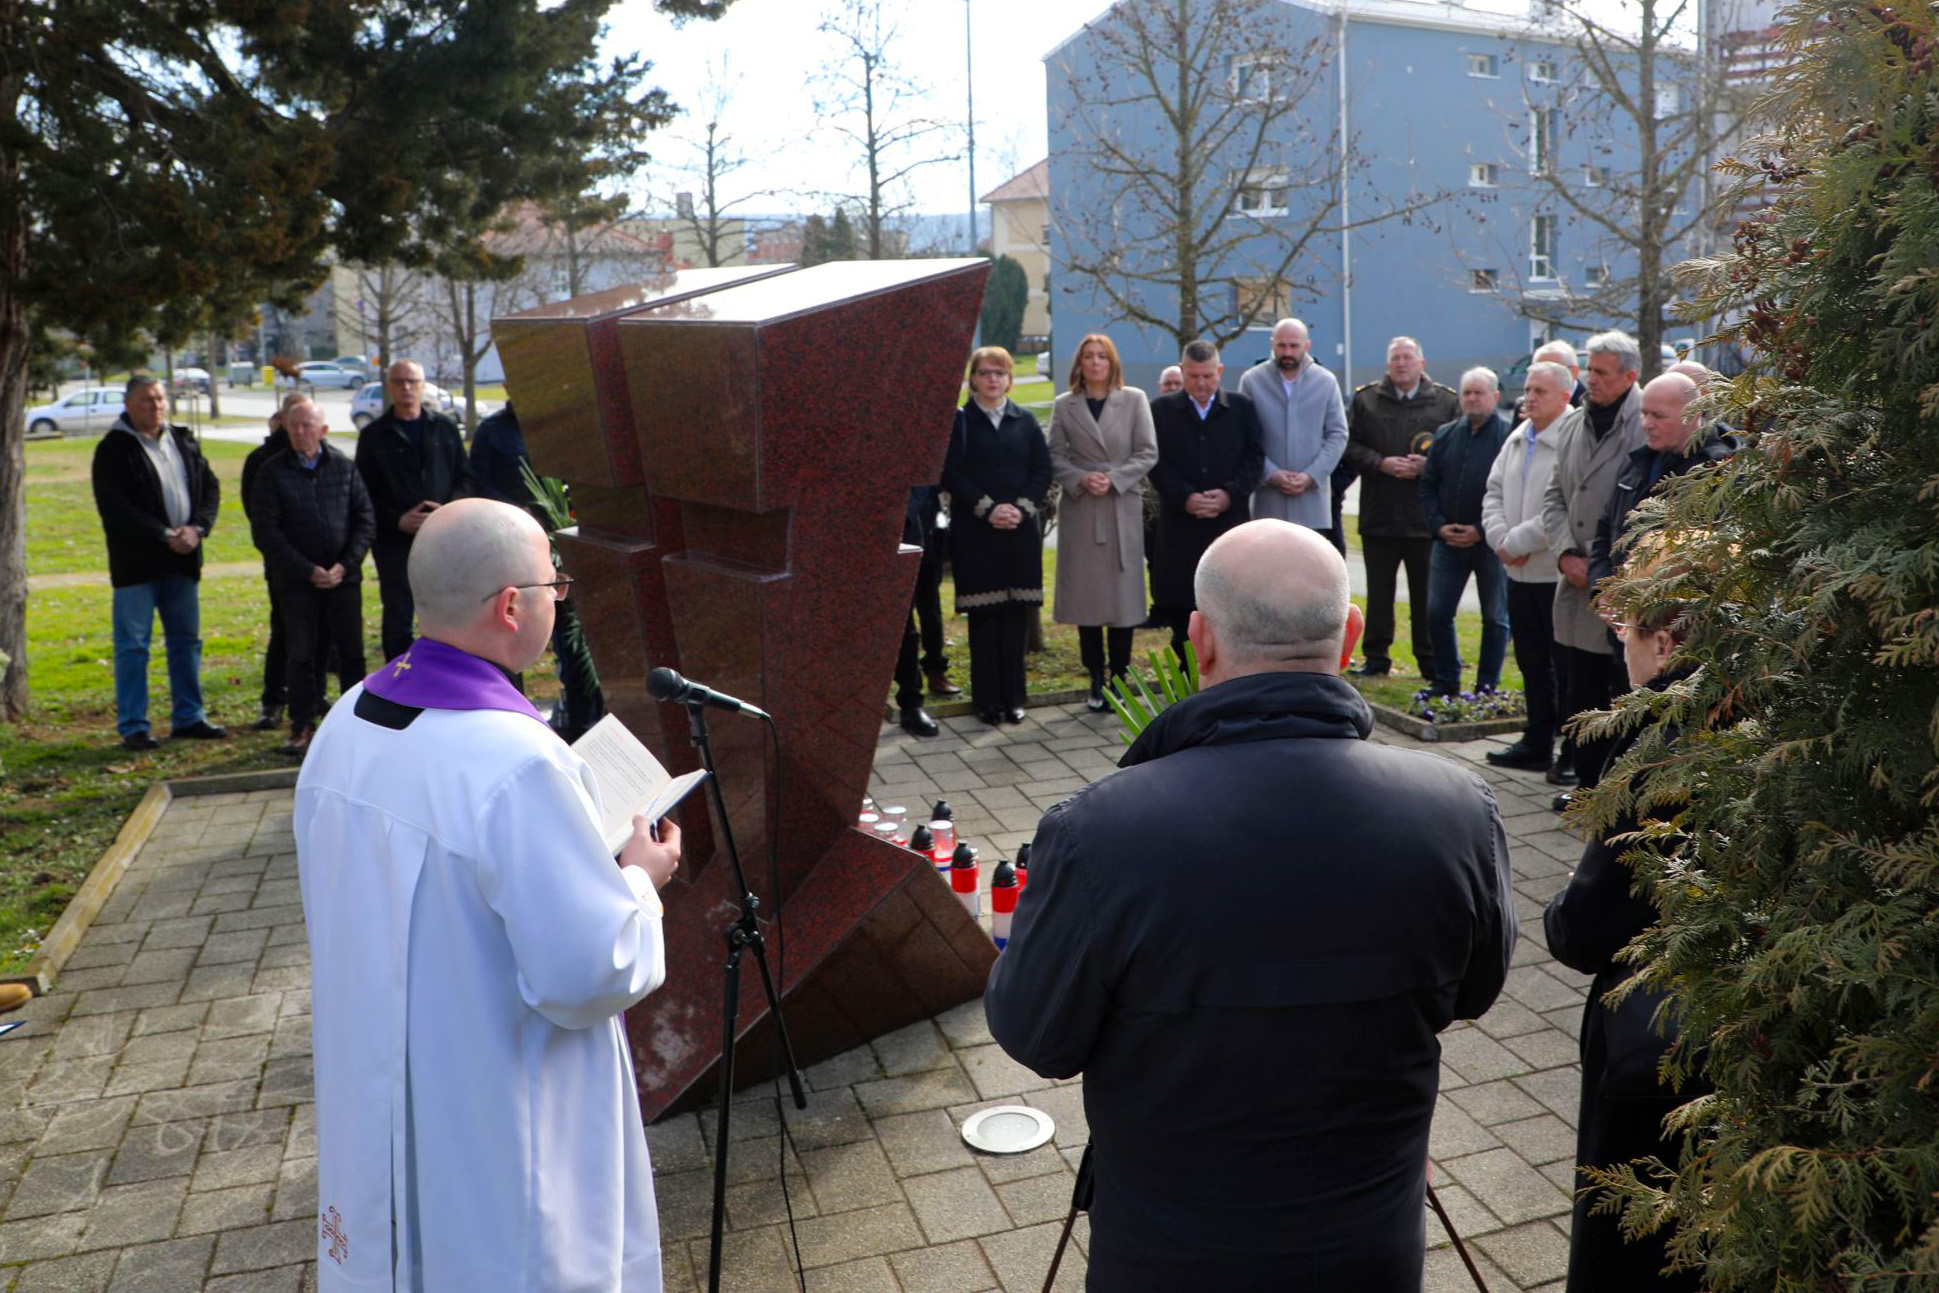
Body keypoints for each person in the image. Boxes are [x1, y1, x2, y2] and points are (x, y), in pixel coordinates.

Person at [986, 518, 1515, 1293]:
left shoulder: (1099, 831)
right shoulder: (1457, 807)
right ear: (1350, 638)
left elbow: (1037, 1033)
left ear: (1197, 639)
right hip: (1368, 1242)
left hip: (1169, 1252)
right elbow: (1475, 990)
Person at [296, 498, 681, 1292]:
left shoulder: (346, 723)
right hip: (496, 1105)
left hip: (386, 1074)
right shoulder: (516, 762)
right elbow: (588, 972)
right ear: (512, 605)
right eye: (554, 582)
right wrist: (639, 878)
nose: (559, 596)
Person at [1544, 592, 1708, 1293]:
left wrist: (1558, 908)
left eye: (1627, 637)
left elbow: (1585, 926)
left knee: (1634, 1239)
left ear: (1665, 643)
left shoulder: (1658, 744)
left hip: (1655, 1039)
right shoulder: (1778, 715)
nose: (1623, 653)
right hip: (1752, 1030)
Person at [90, 376, 226, 751]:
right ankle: (134, 725)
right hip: (138, 567)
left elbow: (210, 486)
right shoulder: (113, 449)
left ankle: (189, 717)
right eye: (148, 400)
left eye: (161, 398)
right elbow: (116, 508)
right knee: (133, 646)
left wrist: (197, 528)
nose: (157, 406)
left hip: (183, 562)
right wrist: (165, 535)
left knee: (186, 641)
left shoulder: (182, 438)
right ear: (130, 403)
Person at [1541, 330, 1646, 804]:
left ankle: (1616, 796)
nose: (1592, 382)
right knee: (1578, 695)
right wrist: (1564, 552)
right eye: (1589, 370)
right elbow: (1553, 496)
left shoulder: (1645, 425)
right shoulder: (1571, 424)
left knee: (1621, 700)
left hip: (1623, 588)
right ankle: (1586, 791)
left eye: (1602, 374)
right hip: (1574, 581)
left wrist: (1605, 566)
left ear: (1630, 376)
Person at [468, 401, 605, 741]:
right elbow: (478, 481)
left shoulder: (561, 426)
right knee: (509, 630)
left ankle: (583, 722)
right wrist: (520, 515)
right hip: (511, 546)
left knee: (574, 644)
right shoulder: (492, 430)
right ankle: (511, 713)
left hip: (566, 543)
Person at [246, 398, 375, 757]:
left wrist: (344, 566)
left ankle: (357, 726)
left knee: (351, 654)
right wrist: (308, 570)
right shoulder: (271, 473)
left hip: (343, 579)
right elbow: (266, 532)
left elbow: (365, 520)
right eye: (294, 425)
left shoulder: (345, 469)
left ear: (324, 430)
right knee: (301, 654)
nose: (300, 432)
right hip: (297, 582)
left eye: (307, 426)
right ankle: (301, 726)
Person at [941, 346, 1051, 725]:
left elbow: (1042, 470)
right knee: (984, 621)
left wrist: (1020, 508)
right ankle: (986, 701)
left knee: (1015, 620)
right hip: (977, 534)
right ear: (972, 378)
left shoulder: (1026, 421)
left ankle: (1014, 699)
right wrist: (988, 509)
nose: (992, 379)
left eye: (1000, 373)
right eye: (985, 372)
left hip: (1020, 533)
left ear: (1010, 379)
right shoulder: (960, 422)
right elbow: (951, 473)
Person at [1048, 334, 1158, 710]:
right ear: (1079, 364)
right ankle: (1095, 676)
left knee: (1123, 598)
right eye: (1089, 356)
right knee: (1087, 599)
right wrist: (1081, 477)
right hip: (1081, 510)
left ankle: (1120, 677)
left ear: (1113, 363)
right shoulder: (1065, 406)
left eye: (1102, 356)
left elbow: (1147, 452)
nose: (1095, 363)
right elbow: (1053, 456)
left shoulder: (1134, 400)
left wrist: (1114, 478)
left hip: (1119, 507)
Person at [1343, 336, 1459, 678]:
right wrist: (1380, 463)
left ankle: (1429, 660)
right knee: (1379, 593)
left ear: (1421, 364)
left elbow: (1457, 450)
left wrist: (1429, 466)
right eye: (1395, 359)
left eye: (1407, 358)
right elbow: (1349, 445)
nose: (1401, 364)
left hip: (1424, 516)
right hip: (1380, 512)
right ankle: (1376, 657)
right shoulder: (1366, 400)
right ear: (1388, 364)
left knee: (1426, 595)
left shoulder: (1444, 402)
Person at [1482, 361, 1573, 775]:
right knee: (1531, 663)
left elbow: (1566, 504)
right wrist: (1500, 539)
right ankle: (1536, 742)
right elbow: (1494, 491)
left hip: (1553, 575)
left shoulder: (1573, 437)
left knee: (1567, 669)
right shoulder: (1519, 436)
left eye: (1540, 391)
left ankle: (1572, 753)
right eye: (1528, 390)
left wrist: (1516, 542)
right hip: (1516, 572)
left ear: (1565, 396)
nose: (1529, 398)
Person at [1147, 339, 1264, 657]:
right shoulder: (1160, 411)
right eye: (1194, 376)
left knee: (1229, 613)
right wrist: (1183, 496)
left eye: (1208, 376)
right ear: (1182, 371)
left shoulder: (1242, 408)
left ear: (1220, 371)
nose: (1201, 384)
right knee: (1183, 620)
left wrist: (1230, 494)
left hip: (1228, 528)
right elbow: (1154, 461)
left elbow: (1255, 459)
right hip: (1180, 530)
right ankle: (1186, 692)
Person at [356, 358, 474, 663]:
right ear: (389, 387)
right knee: (398, 617)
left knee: (447, 614)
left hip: (443, 540)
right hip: (394, 542)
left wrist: (445, 511)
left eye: (412, 381)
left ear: (423, 386)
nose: (406, 387)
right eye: (398, 381)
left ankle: (445, 681)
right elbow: (362, 496)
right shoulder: (374, 436)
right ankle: (399, 687)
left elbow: (465, 478)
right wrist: (398, 520)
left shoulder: (445, 428)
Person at [1591, 373, 1739, 590]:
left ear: (1693, 415)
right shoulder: (1637, 463)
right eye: (1644, 414)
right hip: (1623, 612)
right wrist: (1603, 591)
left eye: (1658, 416)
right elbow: (1605, 532)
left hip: (1674, 616)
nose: (1647, 424)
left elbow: (1719, 557)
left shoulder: (1717, 471)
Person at [1420, 367, 1513, 697]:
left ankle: (1487, 686)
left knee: (1495, 617)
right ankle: (1446, 681)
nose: (1472, 399)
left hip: (1489, 543)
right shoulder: (1445, 435)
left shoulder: (1508, 437)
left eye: (1479, 393)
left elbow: (1511, 494)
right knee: (1437, 613)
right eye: (1467, 393)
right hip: (1448, 542)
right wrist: (1439, 526)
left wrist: (1481, 529)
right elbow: (1428, 484)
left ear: (1496, 396)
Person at [1240, 318, 1348, 535]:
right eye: (1281, 345)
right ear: (1272, 344)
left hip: (1313, 507)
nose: (1287, 352)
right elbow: (1243, 436)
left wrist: (1311, 476)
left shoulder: (1326, 382)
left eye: (1294, 345)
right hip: (1267, 505)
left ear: (1307, 346)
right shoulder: (1252, 381)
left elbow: (1338, 434)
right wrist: (1270, 473)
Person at [892, 483, 945, 737]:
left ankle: (911, 705)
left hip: (908, 528)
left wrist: (899, 512)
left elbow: (926, 475)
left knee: (906, 627)